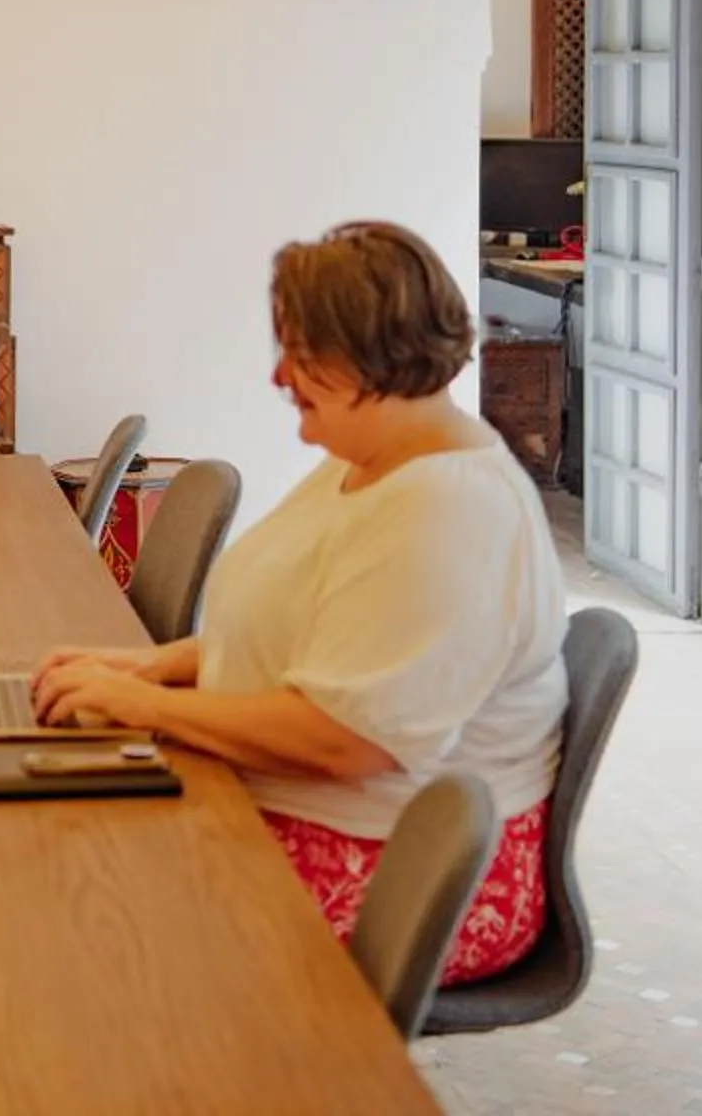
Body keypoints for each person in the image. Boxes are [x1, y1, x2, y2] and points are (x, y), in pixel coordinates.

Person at [31, 220, 566, 984]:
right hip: (331, 820)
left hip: (398, 871)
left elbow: (348, 740)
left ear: (371, 356)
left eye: (302, 355)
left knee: (76, 905)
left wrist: (140, 706)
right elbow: (295, 626)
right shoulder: (373, 461)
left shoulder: (447, 509)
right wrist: (151, 669)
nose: (280, 377)